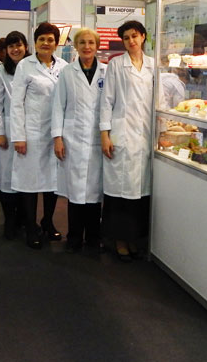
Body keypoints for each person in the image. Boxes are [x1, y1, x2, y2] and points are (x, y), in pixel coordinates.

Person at [100, 20, 154, 262]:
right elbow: (106, 101)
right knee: (120, 193)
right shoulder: (116, 65)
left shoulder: (153, 65)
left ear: (143, 36)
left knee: (140, 194)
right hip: (122, 135)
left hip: (145, 136)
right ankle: (119, 241)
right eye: (126, 38)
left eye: (134, 36)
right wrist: (105, 134)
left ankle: (134, 240)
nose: (131, 41)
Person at [11, 22, 67, 249]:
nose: (46, 43)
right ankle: (30, 226)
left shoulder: (64, 66)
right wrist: (19, 136)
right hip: (32, 132)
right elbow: (16, 104)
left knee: (53, 181)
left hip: (56, 133)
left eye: (50, 39)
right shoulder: (25, 66)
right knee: (30, 182)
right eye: (42, 39)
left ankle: (47, 221)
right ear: (35, 42)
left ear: (56, 43)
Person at [52, 28, 106, 253]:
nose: (87, 46)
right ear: (76, 46)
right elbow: (58, 106)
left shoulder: (106, 71)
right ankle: (74, 237)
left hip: (97, 137)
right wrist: (57, 137)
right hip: (73, 137)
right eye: (82, 42)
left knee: (94, 193)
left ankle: (93, 238)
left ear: (97, 46)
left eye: (91, 42)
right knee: (75, 192)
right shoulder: (67, 72)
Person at [0, 31, 29, 239]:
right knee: (6, 178)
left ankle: (23, 219)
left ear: (25, 47)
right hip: (7, 130)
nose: (15, 49)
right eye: (11, 46)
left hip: (30, 131)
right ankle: (9, 221)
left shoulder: (32, 68)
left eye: (18, 45)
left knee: (26, 179)